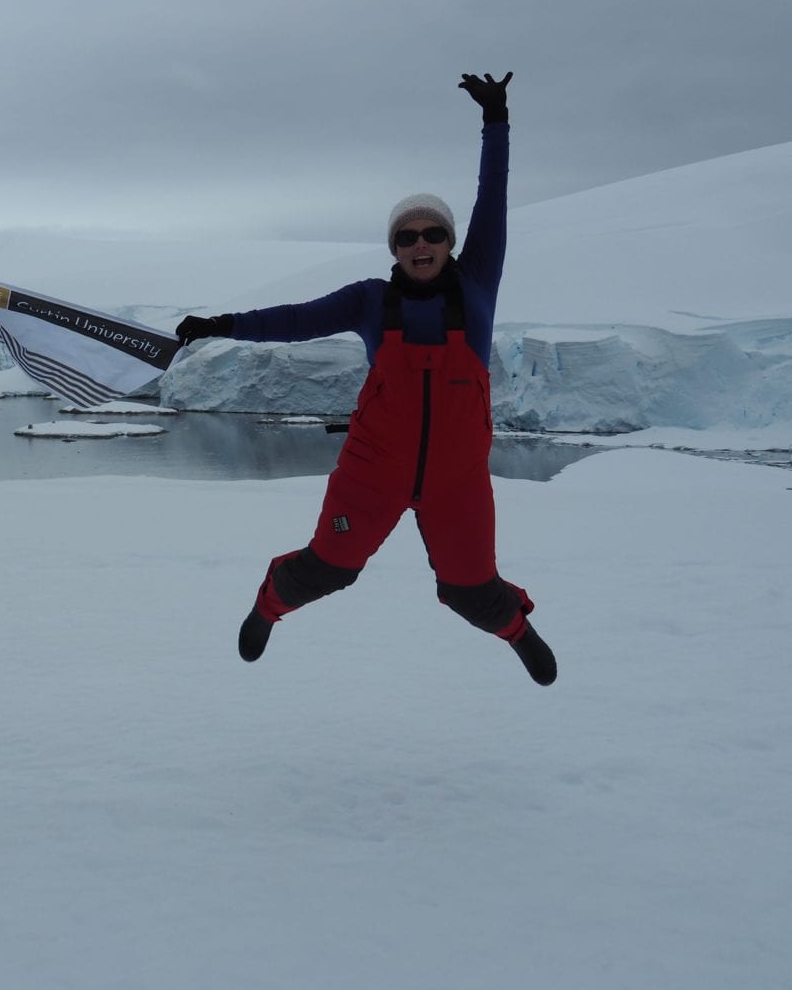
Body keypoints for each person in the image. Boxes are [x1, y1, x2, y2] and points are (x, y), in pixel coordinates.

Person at [175, 73, 556, 685]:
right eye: (407, 237)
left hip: (456, 476)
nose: (421, 244)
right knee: (329, 568)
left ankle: (517, 630)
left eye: (433, 234)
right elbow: (295, 320)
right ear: (395, 248)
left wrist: (497, 122)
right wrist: (225, 323)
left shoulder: (477, 285)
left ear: (451, 243)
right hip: (373, 467)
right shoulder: (370, 301)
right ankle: (269, 604)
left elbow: (494, 197)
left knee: (471, 590)